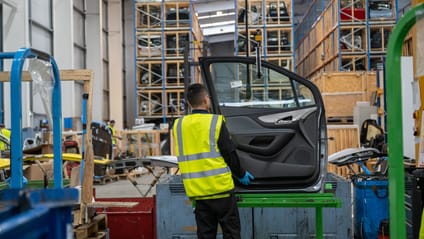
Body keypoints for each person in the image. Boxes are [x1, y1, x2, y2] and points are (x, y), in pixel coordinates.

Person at [173, 83, 254, 239]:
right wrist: (241, 173)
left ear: (189, 103)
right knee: (231, 233)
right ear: (205, 100)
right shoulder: (215, 122)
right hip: (220, 190)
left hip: (198, 192)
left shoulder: (178, 125)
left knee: (205, 234)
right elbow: (229, 152)